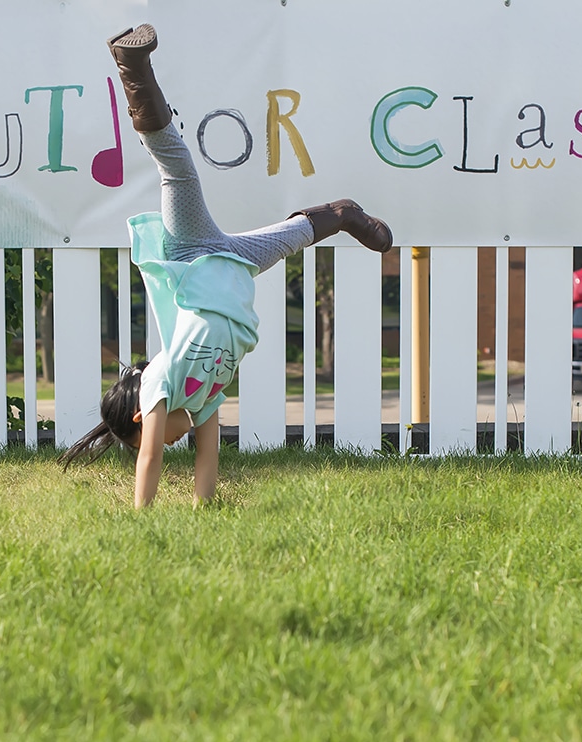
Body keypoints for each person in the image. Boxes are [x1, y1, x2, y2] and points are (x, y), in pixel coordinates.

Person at [59, 24, 392, 508]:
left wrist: (139, 518)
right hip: (233, 267)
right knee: (293, 238)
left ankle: (132, 66)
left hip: (193, 254)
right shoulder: (203, 402)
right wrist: (202, 510)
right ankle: (341, 214)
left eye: (147, 437)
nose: (166, 442)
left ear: (141, 419)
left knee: (175, 164)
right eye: (159, 440)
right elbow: (208, 461)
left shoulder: (159, 385)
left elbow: (149, 459)